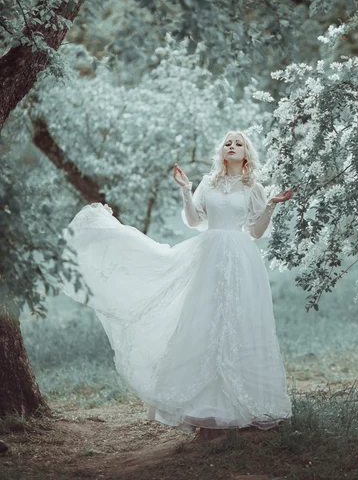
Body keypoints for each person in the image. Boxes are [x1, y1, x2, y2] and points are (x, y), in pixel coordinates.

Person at [61, 130, 294, 441]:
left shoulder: (254, 187)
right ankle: (207, 414)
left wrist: (271, 206)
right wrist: (186, 190)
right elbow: (195, 221)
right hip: (209, 256)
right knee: (204, 323)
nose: (232, 146)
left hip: (241, 259)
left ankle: (246, 410)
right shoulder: (209, 183)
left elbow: (256, 232)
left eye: (238, 143)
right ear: (222, 151)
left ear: (247, 153)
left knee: (241, 324)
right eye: (228, 142)